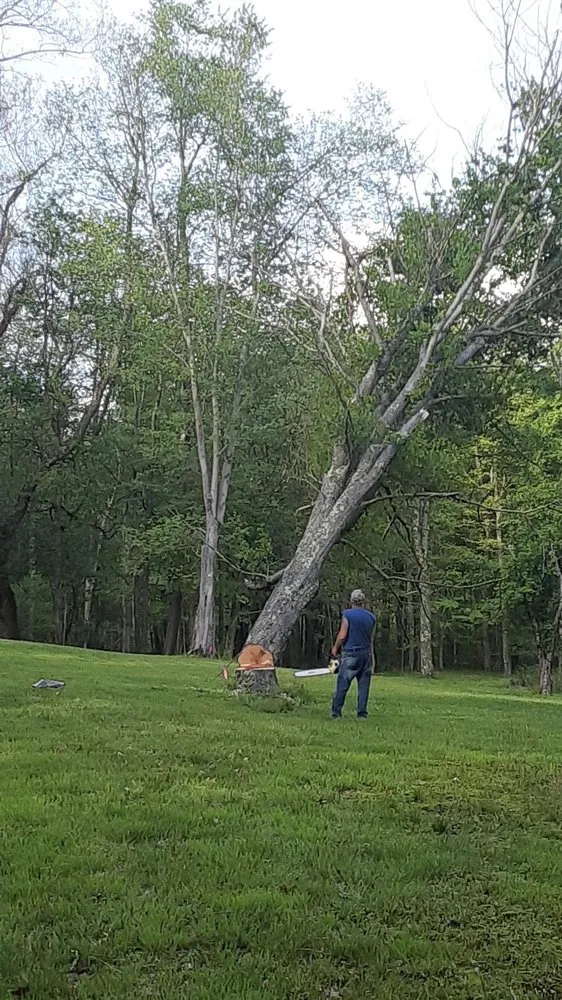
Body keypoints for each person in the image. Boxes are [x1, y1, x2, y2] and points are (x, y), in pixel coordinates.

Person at [330, 589, 376, 719]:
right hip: (366, 654)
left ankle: (336, 712)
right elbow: (371, 639)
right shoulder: (371, 617)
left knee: (343, 683)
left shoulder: (348, 614)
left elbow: (343, 635)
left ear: (351, 600)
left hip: (351, 653)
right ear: (363, 601)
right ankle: (362, 714)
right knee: (363, 685)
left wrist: (335, 647)